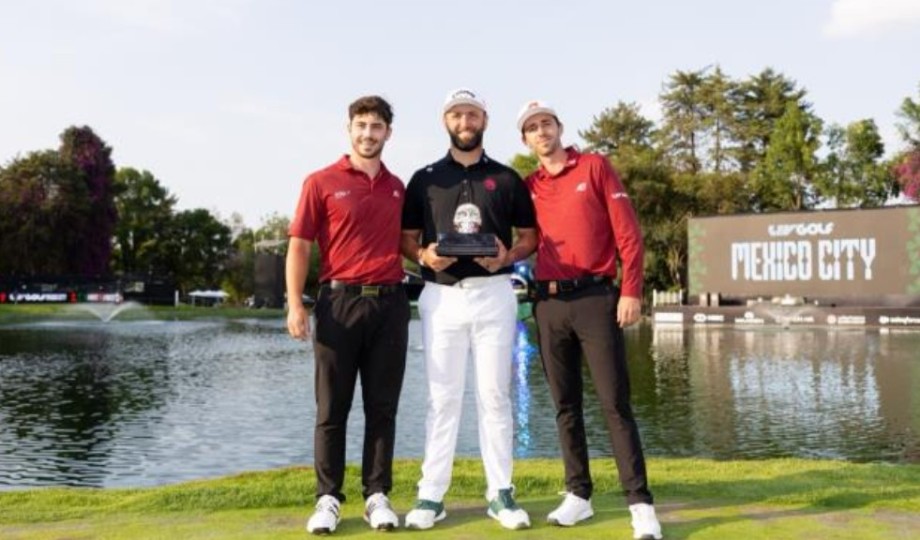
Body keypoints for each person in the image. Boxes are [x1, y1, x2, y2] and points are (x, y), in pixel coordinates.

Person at [516, 100, 663, 540]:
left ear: (559, 127)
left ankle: (639, 504)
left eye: (546, 123)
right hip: (548, 305)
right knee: (565, 406)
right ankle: (578, 494)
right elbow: (523, 242)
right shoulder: (528, 186)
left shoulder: (595, 167)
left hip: (597, 298)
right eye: (531, 128)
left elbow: (629, 234)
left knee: (615, 403)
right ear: (525, 140)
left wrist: (631, 289)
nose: (541, 132)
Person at [399, 88, 538, 531]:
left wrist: (507, 255)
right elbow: (406, 238)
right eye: (457, 114)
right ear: (446, 121)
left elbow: (531, 237)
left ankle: (500, 492)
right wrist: (422, 256)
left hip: (495, 292)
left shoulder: (507, 177)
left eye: (472, 114)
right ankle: (431, 494)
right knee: (442, 399)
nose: (465, 121)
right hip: (441, 296)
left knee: (495, 396)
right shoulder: (424, 178)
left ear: (484, 119)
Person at [286, 95, 410, 535]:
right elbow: (299, 244)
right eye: (361, 125)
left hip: (392, 305)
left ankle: (377, 495)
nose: (368, 134)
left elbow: (408, 244)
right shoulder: (320, 181)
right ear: (349, 129)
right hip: (337, 303)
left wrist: (439, 256)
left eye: (377, 126)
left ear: (388, 133)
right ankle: (327, 498)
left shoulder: (398, 187)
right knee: (331, 408)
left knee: (382, 407)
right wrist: (295, 301)